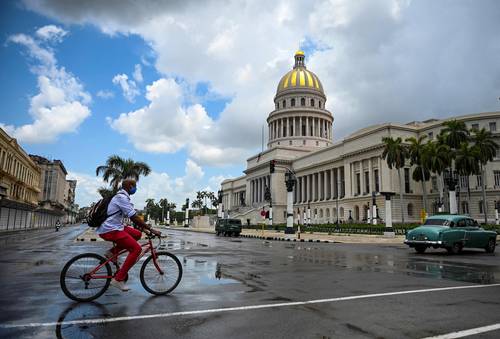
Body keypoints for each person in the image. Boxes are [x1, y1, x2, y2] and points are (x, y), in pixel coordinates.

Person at [96, 179, 161, 291]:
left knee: (137, 234)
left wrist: (144, 230)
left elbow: (132, 219)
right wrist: (150, 228)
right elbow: (134, 217)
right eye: (134, 186)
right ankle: (118, 279)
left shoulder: (121, 197)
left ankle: (112, 252)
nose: (135, 189)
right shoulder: (122, 198)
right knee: (136, 249)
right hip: (110, 229)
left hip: (115, 226)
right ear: (130, 186)